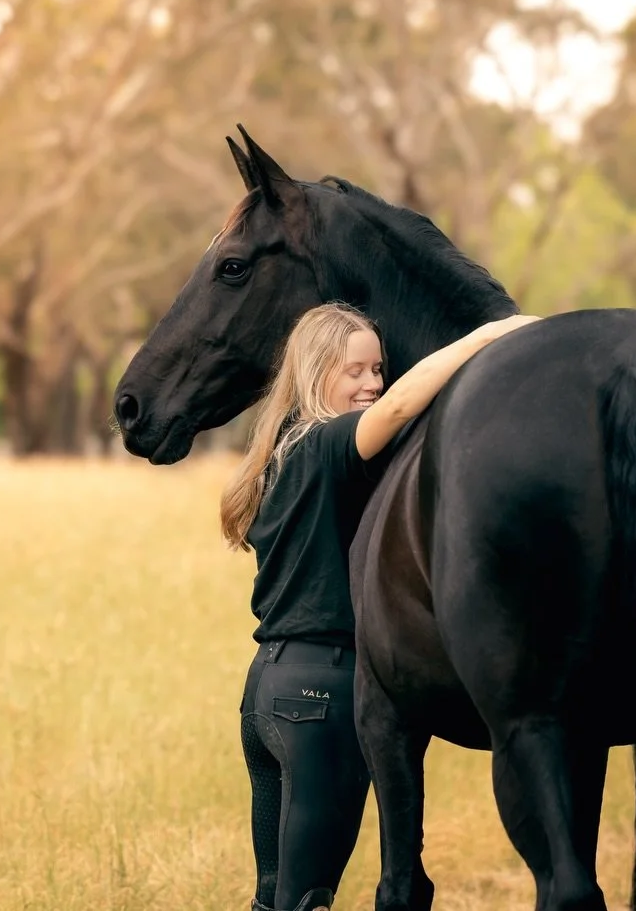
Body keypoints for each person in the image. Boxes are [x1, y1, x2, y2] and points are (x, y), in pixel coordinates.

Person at [220, 302, 541, 911]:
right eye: (355, 371)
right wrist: (491, 334)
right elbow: (396, 409)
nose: (372, 383)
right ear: (316, 372)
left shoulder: (281, 452)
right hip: (321, 696)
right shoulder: (327, 445)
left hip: (267, 689)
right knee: (306, 899)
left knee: (273, 899)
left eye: (378, 368)